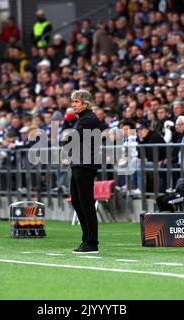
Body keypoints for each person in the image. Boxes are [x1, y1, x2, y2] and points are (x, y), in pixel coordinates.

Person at [69, 89, 102, 254]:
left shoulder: (88, 120)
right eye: (73, 101)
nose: (73, 105)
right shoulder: (83, 119)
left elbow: (72, 140)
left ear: (85, 103)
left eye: (76, 102)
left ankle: (91, 241)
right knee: (77, 201)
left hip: (85, 165)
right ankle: (87, 239)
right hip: (79, 164)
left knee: (86, 203)